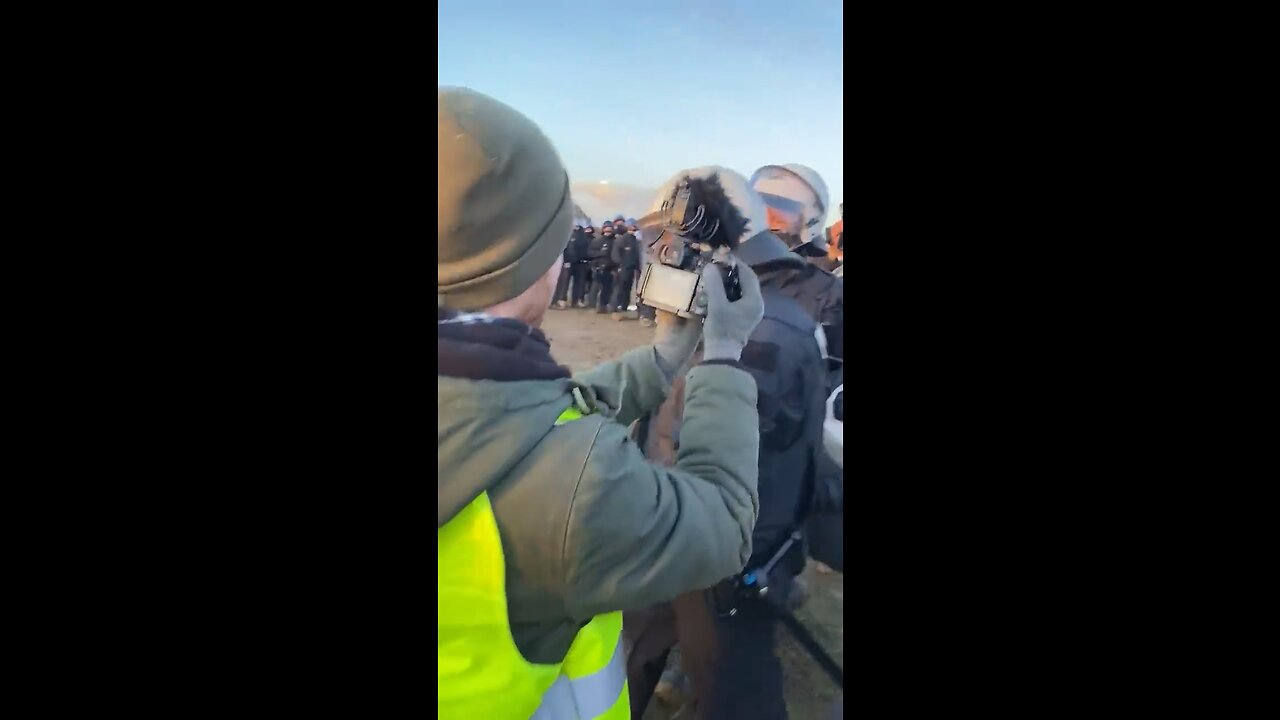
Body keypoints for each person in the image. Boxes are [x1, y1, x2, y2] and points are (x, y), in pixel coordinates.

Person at [438, 87, 767, 720]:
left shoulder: (493, 406)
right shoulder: (574, 489)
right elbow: (723, 522)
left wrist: (663, 359)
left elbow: (518, 421)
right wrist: (723, 355)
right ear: (538, 266)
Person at [625, 166, 836, 720]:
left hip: (720, 548)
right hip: (672, 524)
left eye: (671, 235)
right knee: (633, 655)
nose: (661, 252)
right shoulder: (729, 289)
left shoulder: (765, 318)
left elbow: (742, 447)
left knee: (733, 690)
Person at [610, 217, 641, 318]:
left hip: (631, 268)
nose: (633, 230)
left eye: (634, 229)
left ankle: (624, 306)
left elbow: (636, 255)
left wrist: (637, 267)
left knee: (627, 288)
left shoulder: (635, 240)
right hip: (623, 268)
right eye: (632, 228)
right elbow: (615, 253)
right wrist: (619, 265)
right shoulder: (622, 239)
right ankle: (614, 307)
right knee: (620, 287)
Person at [587, 220, 617, 313]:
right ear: (603, 230)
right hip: (598, 267)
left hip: (610, 268)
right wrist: (600, 253)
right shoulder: (597, 240)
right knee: (595, 288)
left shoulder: (615, 241)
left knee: (607, 289)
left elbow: (616, 255)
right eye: (606, 230)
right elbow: (590, 253)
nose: (608, 232)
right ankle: (592, 305)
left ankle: (603, 306)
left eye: (610, 230)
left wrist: (615, 267)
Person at [552, 225, 582, 309]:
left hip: (566, 262)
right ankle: (556, 300)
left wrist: (569, 260)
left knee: (563, 282)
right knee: (560, 282)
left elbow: (570, 251)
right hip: (560, 262)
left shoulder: (569, 238)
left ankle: (560, 300)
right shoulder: (560, 238)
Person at [573, 225, 596, 307]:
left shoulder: (593, 239)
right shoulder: (580, 238)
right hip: (580, 263)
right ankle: (578, 299)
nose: (588, 231)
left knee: (585, 283)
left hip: (587, 263)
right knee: (580, 283)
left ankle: (582, 299)